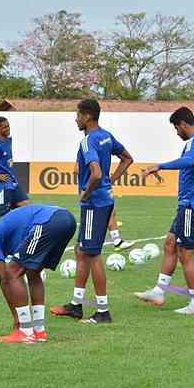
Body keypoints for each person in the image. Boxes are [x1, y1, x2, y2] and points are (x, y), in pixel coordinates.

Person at [50, 99, 133, 324]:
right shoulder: (106, 136)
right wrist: (110, 181)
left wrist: (86, 193)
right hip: (105, 201)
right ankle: (76, 305)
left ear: (87, 116)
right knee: (80, 250)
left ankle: (102, 312)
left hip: (94, 204)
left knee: (92, 254)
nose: (75, 119)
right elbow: (127, 158)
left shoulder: (87, 141)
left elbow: (95, 173)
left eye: (77, 115)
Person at [134, 106, 194, 315]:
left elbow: (189, 161)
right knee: (170, 243)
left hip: (192, 205)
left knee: (185, 254)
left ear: (183, 124)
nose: (177, 133)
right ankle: (159, 291)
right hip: (192, 204)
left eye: (176, 128)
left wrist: (160, 166)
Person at [0, 204, 76, 343]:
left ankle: (24, 330)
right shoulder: (12, 239)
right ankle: (39, 330)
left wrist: (16, 318)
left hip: (48, 221)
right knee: (33, 272)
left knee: (12, 273)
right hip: (67, 219)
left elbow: (4, 277)